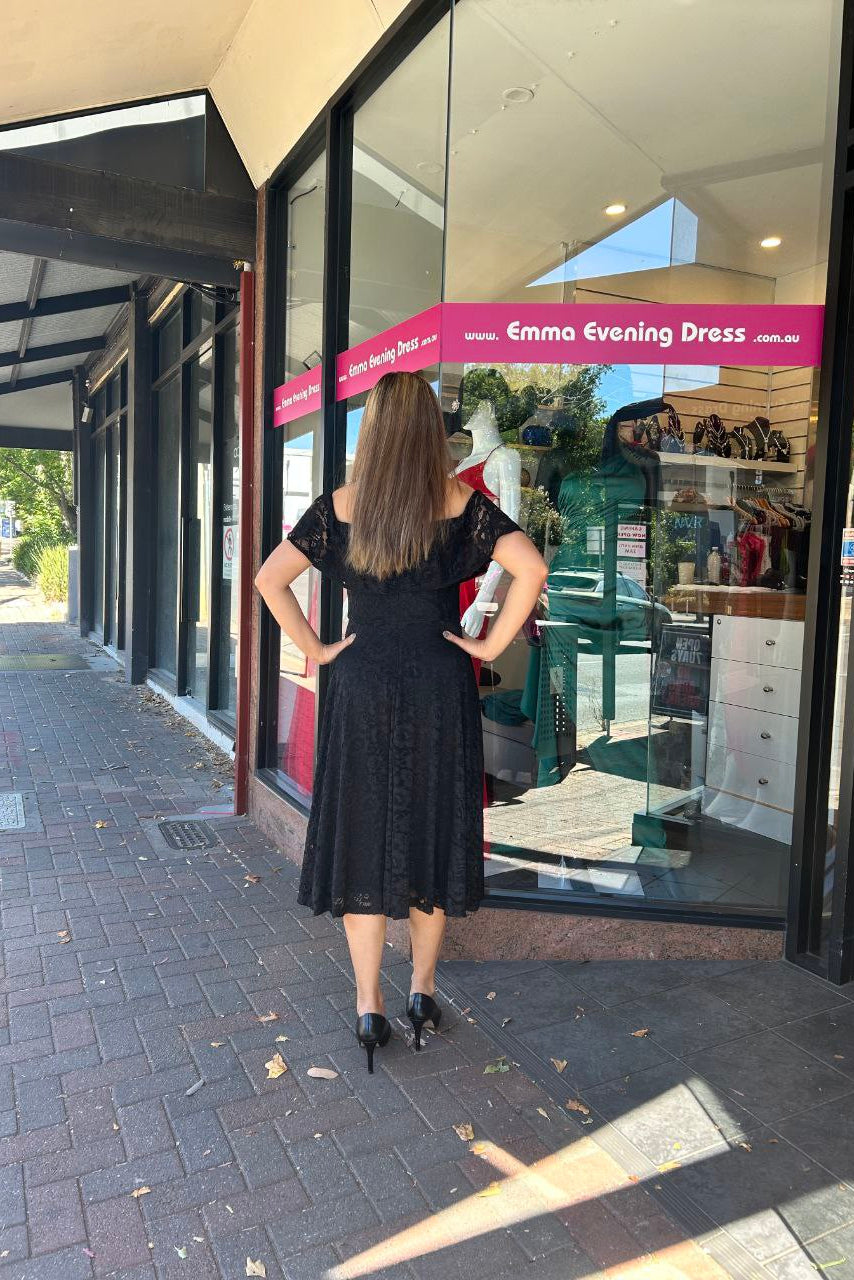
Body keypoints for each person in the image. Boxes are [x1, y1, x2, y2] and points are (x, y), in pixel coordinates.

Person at [254, 371, 548, 1072]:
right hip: (439, 688)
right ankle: (421, 991)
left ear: (374, 429)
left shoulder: (341, 505)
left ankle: (368, 1006)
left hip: (360, 687)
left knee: (364, 834)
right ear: (429, 430)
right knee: (433, 831)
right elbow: (531, 569)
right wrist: (487, 646)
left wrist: (319, 650)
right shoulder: (460, 501)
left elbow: (269, 580)